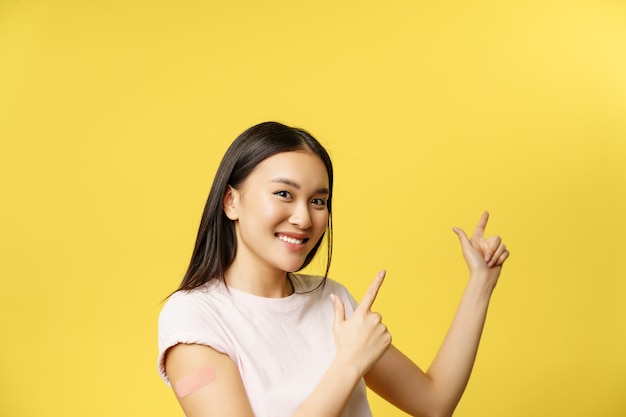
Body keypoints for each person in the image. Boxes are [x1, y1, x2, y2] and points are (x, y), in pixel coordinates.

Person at [157, 121, 510, 417]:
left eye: (318, 201)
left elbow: (434, 402)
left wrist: (482, 281)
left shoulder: (332, 300)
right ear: (231, 201)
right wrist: (349, 364)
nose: (303, 218)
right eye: (283, 194)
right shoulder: (193, 317)